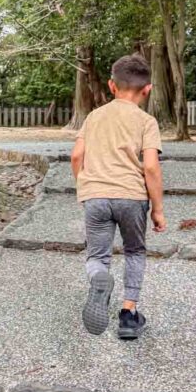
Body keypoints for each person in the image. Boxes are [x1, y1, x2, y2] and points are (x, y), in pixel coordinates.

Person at [70, 54, 166, 341]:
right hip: (132, 197)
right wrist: (157, 209)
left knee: (97, 256)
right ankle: (128, 314)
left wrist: (86, 186)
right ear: (147, 89)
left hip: (96, 196)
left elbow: (76, 156)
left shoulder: (93, 117)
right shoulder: (146, 121)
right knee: (134, 251)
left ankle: (99, 280)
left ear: (111, 85)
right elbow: (150, 166)